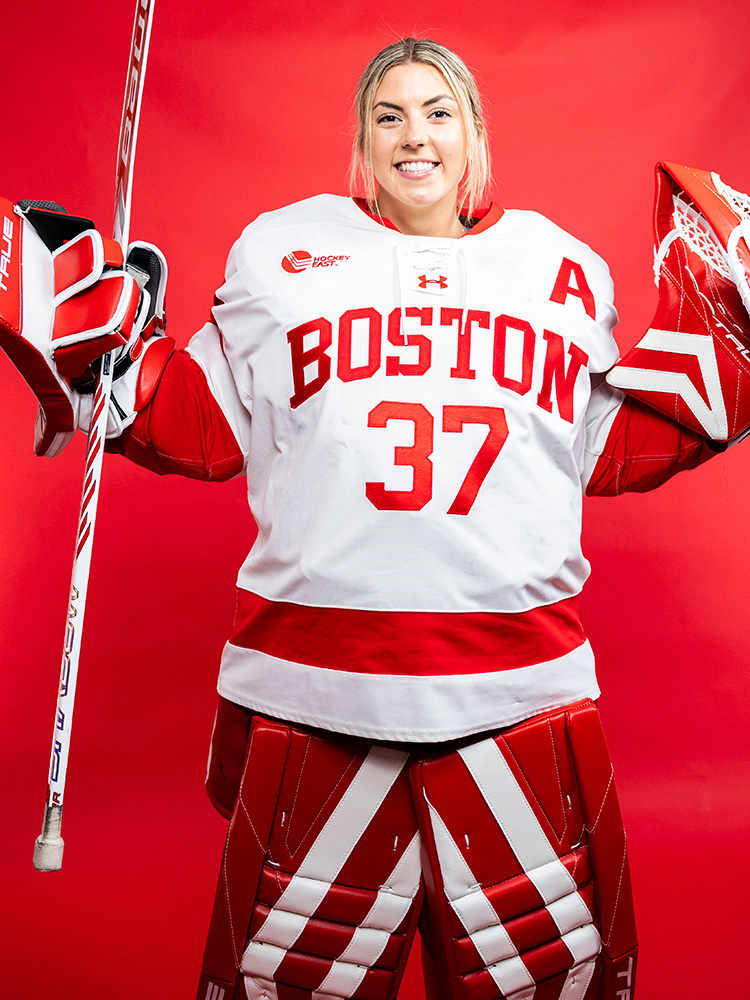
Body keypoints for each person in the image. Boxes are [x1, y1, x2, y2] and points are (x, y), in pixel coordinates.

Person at [2, 35, 748, 1000]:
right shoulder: (283, 249)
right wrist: (95, 347)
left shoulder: (559, 268)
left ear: (474, 134)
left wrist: (727, 361)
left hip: (514, 692)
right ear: (361, 138)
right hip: (317, 695)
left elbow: (600, 447)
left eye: (438, 113)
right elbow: (204, 424)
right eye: (388, 116)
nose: (414, 136)